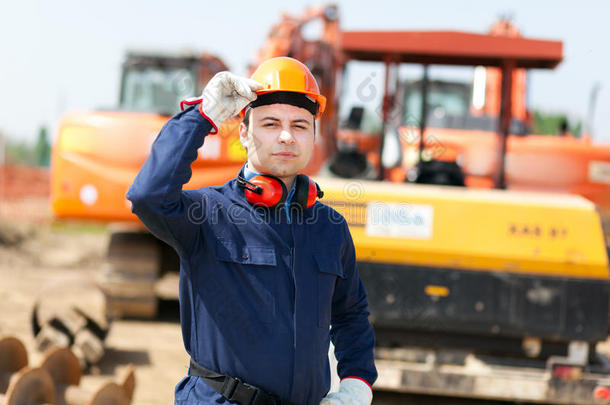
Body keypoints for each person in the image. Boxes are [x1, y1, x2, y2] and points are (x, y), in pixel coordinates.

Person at [126, 56, 377, 405]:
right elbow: (148, 196)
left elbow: (351, 315)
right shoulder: (208, 214)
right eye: (271, 123)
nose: (287, 136)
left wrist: (356, 384)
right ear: (243, 132)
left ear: (315, 137)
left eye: (300, 125)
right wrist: (204, 114)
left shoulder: (330, 228)